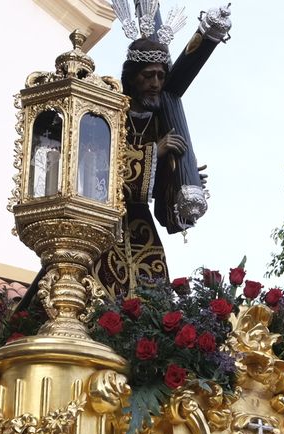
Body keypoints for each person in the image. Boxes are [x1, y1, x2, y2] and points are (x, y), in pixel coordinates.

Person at [95, 3, 231, 294]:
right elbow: (102, 171)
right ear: (131, 77)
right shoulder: (110, 115)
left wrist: (178, 176)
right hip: (106, 225)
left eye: (160, 75)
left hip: (142, 228)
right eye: (148, 76)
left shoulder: (161, 120)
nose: (155, 83)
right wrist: (156, 152)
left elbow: (153, 193)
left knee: (151, 297)